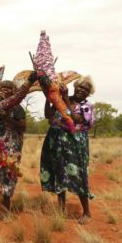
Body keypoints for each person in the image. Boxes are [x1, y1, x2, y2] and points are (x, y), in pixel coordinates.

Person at [40, 76, 95, 224]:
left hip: (76, 145)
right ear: (75, 87)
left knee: (79, 174)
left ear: (89, 93)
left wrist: (65, 97)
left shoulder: (86, 106)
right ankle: (61, 208)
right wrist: (49, 96)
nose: (81, 90)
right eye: (79, 87)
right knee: (59, 173)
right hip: (57, 142)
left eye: (85, 89)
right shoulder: (62, 100)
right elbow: (48, 115)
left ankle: (87, 212)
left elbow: (76, 119)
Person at [0, 80, 26, 210]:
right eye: (3, 88)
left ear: (14, 92)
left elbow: (23, 127)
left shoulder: (17, 108)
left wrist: (7, 117)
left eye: (9, 88)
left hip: (12, 147)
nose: (6, 90)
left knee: (9, 175)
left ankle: (6, 207)